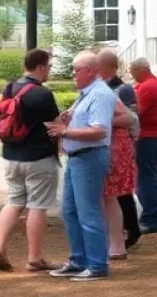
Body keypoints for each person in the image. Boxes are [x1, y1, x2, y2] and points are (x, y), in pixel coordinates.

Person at [45, 51, 117, 280]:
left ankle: (97, 265)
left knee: (89, 212)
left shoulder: (100, 94)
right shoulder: (87, 94)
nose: (73, 74)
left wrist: (65, 130)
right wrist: (70, 120)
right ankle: (79, 260)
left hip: (90, 156)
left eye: (76, 70)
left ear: (90, 71)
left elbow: (99, 131)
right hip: (78, 157)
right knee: (70, 211)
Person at [0, 48, 61, 273]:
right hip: (38, 157)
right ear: (41, 67)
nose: (50, 71)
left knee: (14, 201)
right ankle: (34, 258)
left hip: (11, 155)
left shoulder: (9, 88)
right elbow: (54, 125)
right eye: (50, 67)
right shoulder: (42, 94)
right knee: (38, 205)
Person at [96, 49, 139, 260]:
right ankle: (118, 232)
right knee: (113, 193)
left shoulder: (123, 89)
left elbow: (132, 117)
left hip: (120, 145)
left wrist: (100, 122)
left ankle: (132, 229)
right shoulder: (98, 88)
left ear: (107, 68)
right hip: (105, 145)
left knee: (122, 192)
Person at [131, 57, 157, 235]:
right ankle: (152, 215)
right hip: (155, 134)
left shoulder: (147, 87)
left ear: (140, 69)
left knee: (146, 178)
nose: (131, 74)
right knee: (148, 176)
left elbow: (137, 111)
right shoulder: (155, 84)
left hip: (148, 135)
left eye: (132, 70)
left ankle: (152, 217)